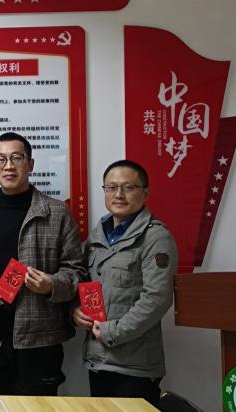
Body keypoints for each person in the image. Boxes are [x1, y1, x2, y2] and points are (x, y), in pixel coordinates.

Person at [0, 131, 85, 396]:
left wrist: (51, 285)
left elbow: (76, 270)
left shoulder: (56, 212)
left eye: (17, 158)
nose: (8, 166)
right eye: (1, 159)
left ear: (30, 164)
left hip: (41, 337)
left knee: (39, 408)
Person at [73, 160, 177, 406]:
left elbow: (157, 299)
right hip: (98, 360)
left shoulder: (155, 237)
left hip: (135, 366)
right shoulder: (97, 236)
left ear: (145, 193)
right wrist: (75, 311)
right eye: (111, 187)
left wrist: (112, 332)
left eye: (128, 187)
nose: (118, 194)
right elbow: (84, 282)